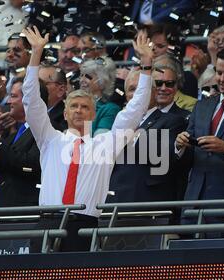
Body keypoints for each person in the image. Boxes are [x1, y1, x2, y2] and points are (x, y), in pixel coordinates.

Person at [21, 26, 152, 251]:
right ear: (65, 113)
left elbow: (136, 109)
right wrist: (36, 54)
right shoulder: (50, 139)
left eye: (85, 107)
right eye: (74, 106)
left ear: (93, 114)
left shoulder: (106, 144)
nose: (79, 111)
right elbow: (31, 102)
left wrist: (147, 64)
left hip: (84, 226)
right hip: (47, 222)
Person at [175, 47, 224, 227]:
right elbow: (188, 157)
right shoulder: (202, 105)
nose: (222, 79)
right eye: (219, 72)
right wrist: (180, 145)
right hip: (193, 201)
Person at [108, 69, 185, 205]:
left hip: (146, 201)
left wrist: (136, 138)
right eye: (132, 89)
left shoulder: (172, 120)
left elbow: (165, 158)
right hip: (113, 198)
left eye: (142, 88)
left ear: (154, 92)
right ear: (126, 95)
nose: (138, 94)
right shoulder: (119, 121)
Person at [0, 77, 41, 207]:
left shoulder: (46, 130)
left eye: (13, 96)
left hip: (21, 210)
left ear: (29, 99)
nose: (9, 101)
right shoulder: (13, 133)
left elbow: (31, 165)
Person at [79, 56, 120, 136]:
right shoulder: (74, 105)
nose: (82, 80)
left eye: (88, 77)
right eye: (81, 75)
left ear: (102, 81)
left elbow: (100, 141)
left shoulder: (109, 109)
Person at [38, 62, 68, 132]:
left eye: (41, 84)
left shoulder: (66, 119)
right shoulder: (27, 111)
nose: (35, 88)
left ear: (61, 90)